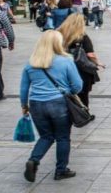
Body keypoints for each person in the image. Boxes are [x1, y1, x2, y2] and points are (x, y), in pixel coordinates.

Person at [20, 31, 83, 182]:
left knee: (46, 136)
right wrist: (67, 91)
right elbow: (78, 86)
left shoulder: (31, 62)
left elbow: (24, 88)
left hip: (36, 104)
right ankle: (61, 170)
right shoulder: (66, 60)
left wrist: (24, 105)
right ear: (58, 43)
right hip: (58, 103)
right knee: (62, 138)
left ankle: (33, 160)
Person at [57, 14, 104, 109]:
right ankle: (83, 112)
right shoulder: (82, 37)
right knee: (83, 93)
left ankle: (70, 111)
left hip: (62, 67)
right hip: (81, 69)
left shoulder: (59, 34)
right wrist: (98, 63)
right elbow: (90, 54)